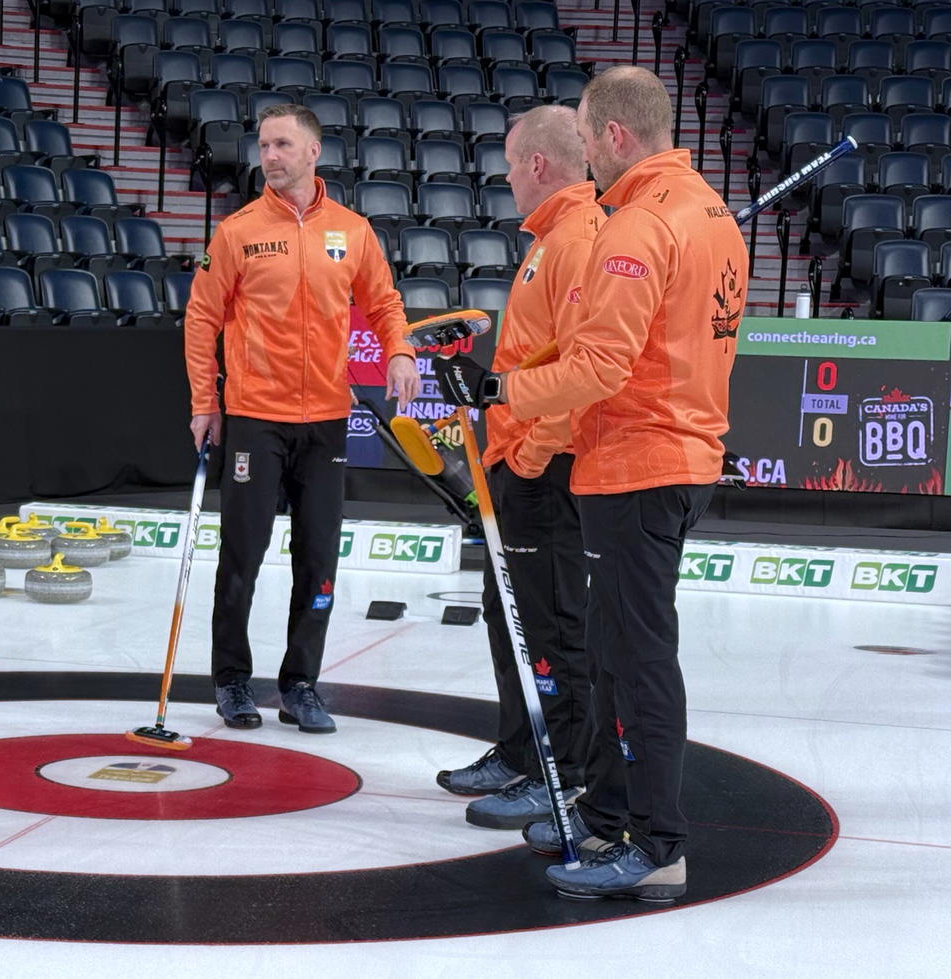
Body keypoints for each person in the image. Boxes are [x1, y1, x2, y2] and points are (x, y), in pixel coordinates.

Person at [435, 67, 747, 902]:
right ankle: (610, 812)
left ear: (613, 136)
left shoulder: (636, 227)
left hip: (640, 463)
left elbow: (601, 366)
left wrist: (500, 391)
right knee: (616, 655)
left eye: (587, 133)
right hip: (673, 456)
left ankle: (658, 844)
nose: (583, 152)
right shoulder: (711, 213)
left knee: (637, 661)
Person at [184, 103, 421, 735]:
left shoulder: (353, 230)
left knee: (318, 560)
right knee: (242, 557)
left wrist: (398, 349)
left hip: (325, 422)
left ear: (313, 152)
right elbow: (201, 318)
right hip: (254, 420)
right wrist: (205, 402)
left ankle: (301, 684)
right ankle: (232, 680)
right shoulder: (237, 231)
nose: (271, 156)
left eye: (283, 144)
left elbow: (384, 301)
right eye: (264, 145)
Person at [434, 105, 601, 833]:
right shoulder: (548, 238)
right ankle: (518, 746)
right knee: (511, 620)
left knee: (550, 626)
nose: (504, 175)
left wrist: (531, 455)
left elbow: (583, 368)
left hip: (546, 469)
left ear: (538, 163)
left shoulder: (580, 237)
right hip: (513, 461)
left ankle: (556, 774)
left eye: (509, 161)